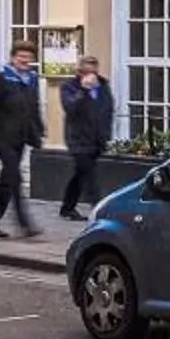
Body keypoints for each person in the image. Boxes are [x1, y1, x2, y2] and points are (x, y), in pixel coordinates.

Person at [0, 41, 45, 239]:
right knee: (15, 177)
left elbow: (34, 107)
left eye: (28, 57)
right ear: (13, 58)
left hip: (21, 138)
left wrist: (38, 131)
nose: (24, 60)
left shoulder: (32, 79)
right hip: (3, 138)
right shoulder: (1, 79)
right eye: (21, 56)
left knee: (7, 181)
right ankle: (25, 223)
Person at [55, 55, 116, 220]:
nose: (91, 76)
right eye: (87, 72)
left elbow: (108, 110)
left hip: (96, 139)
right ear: (80, 72)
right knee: (89, 175)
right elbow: (70, 108)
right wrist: (83, 90)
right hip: (78, 140)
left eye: (93, 72)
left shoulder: (104, 86)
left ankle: (67, 207)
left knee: (80, 174)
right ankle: (99, 209)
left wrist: (105, 135)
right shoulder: (69, 87)